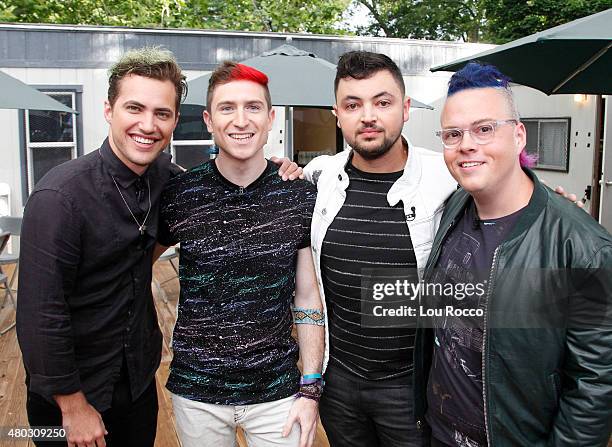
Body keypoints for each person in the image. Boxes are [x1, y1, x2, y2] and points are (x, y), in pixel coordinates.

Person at [16, 48, 301, 447]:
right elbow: (40, 316)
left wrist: (277, 170)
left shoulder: (166, 179)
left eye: (162, 114)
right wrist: (72, 405)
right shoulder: (60, 197)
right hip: (72, 393)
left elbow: (217, 188)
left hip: (136, 380)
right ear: (109, 110)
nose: (148, 125)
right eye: (135, 108)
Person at [413, 62, 612, 446]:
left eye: (484, 129)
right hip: (438, 434)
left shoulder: (583, 247)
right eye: (453, 134)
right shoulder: (454, 207)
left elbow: (595, 383)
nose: (466, 144)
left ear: (519, 135)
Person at [156, 62, 325, 447]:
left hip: (279, 391)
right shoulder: (182, 194)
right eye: (226, 108)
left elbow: (307, 295)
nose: (240, 120)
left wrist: (311, 385)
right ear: (208, 120)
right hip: (197, 391)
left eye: (252, 107)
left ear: (270, 118)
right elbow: (136, 266)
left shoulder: (299, 194)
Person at [302, 51, 457, 446]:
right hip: (338, 381)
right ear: (337, 114)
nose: (367, 116)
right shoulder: (319, 177)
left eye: (382, 102)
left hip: (413, 386)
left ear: (405, 109)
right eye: (353, 104)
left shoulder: (446, 176)